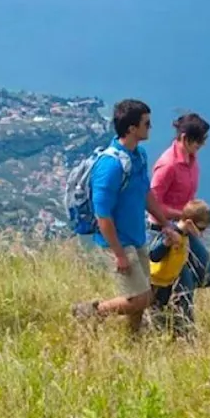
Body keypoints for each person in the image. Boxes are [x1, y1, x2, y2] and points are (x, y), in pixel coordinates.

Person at [71, 99, 180, 333]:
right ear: (132, 128)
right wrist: (119, 254)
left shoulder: (138, 156)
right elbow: (103, 215)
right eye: (146, 123)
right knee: (141, 298)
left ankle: (133, 338)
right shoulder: (110, 166)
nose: (150, 127)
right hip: (118, 242)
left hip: (137, 237)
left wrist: (165, 224)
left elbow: (146, 193)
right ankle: (91, 311)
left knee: (141, 294)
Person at [148, 199, 210, 336]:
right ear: (189, 223)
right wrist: (166, 243)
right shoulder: (171, 233)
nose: (202, 233)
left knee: (163, 311)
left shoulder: (184, 235)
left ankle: (174, 332)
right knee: (157, 313)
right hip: (158, 282)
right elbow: (153, 255)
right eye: (201, 228)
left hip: (168, 280)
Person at [149, 113, 210, 226]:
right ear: (184, 138)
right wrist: (184, 214)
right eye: (199, 140)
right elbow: (153, 205)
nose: (202, 144)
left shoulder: (192, 159)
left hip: (182, 225)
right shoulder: (168, 165)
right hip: (162, 228)